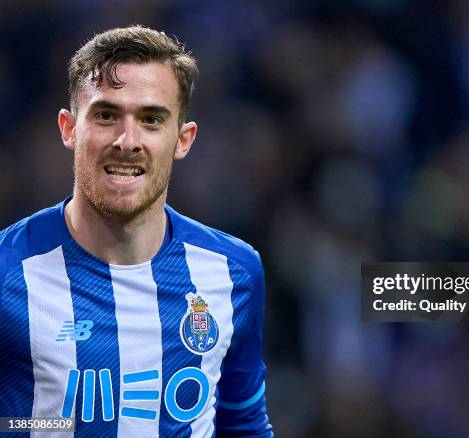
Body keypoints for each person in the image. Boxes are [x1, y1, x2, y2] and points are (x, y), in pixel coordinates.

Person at [0, 25, 273, 437]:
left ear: (183, 139)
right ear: (69, 129)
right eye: (107, 115)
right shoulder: (7, 272)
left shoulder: (235, 273)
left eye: (151, 119)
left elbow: (243, 425)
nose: (127, 140)